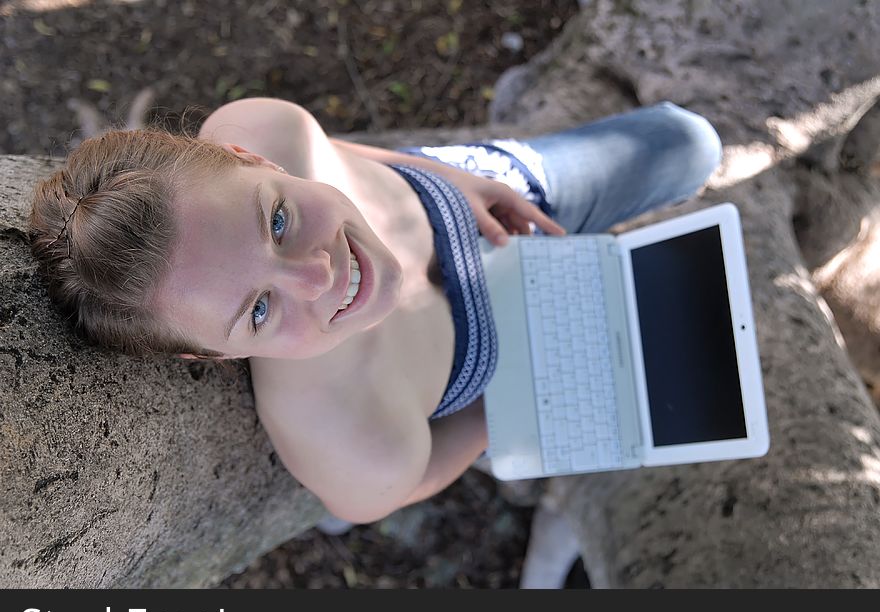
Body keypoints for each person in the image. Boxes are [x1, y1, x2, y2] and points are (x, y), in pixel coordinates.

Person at [28, 98, 722, 525]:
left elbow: (328, 145)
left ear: (248, 156)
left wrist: (452, 177)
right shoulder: (359, 451)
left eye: (276, 220)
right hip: (541, 337)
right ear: (210, 355)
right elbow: (431, 463)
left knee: (693, 144)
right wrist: (523, 398)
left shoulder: (261, 123)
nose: (319, 273)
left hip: (509, 198)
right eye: (260, 309)